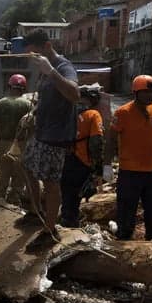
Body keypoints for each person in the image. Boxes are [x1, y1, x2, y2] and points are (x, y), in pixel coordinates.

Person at [19, 30, 80, 248]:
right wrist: (33, 113)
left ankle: (50, 228)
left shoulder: (63, 67)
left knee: (51, 182)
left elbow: (74, 94)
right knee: (26, 166)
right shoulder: (44, 71)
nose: (33, 59)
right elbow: (47, 99)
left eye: (35, 54)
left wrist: (51, 71)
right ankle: (37, 212)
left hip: (57, 136)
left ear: (46, 46)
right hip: (42, 131)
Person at [103, 75, 152, 241]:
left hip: (151, 170)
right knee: (126, 209)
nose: (150, 95)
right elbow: (111, 140)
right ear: (136, 93)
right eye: (146, 92)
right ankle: (124, 236)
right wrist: (106, 164)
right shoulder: (123, 112)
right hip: (129, 172)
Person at [60, 84, 104, 228]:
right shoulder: (93, 115)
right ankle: (71, 224)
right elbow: (96, 142)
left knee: (66, 192)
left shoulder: (66, 114)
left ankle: (65, 219)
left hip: (64, 159)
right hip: (82, 160)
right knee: (77, 194)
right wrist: (98, 167)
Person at [0, 74, 32, 203]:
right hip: (22, 144)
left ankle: (0, 197)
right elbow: (32, 126)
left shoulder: (0, 103)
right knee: (19, 174)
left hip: (4, 143)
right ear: (23, 89)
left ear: (9, 86)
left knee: (3, 173)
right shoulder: (28, 104)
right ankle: (14, 198)